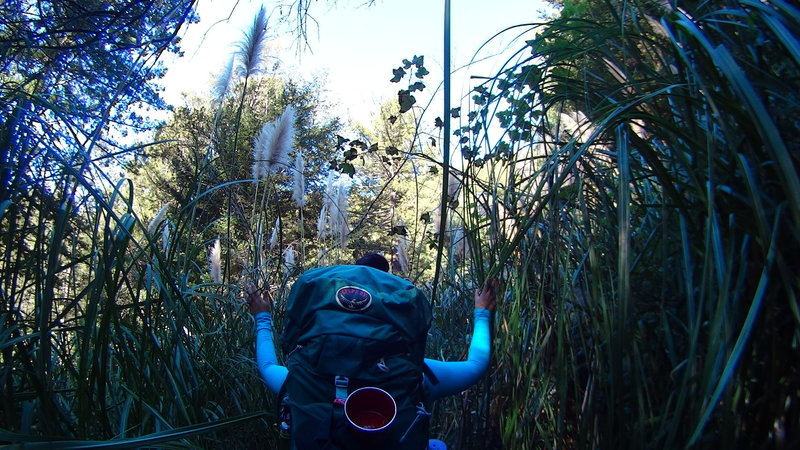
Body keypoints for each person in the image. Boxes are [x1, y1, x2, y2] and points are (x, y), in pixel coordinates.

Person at [244, 254, 499, 446]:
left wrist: (263, 318)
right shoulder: (418, 376)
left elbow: (267, 365)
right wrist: (482, 313)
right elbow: (475, 365)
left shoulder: (303, 376)